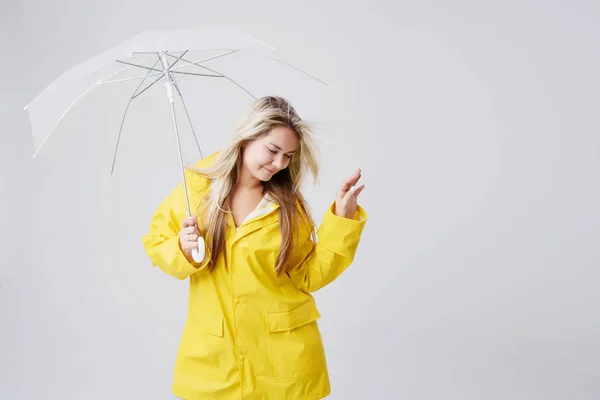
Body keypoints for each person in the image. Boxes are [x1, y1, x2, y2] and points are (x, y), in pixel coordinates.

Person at [142, 96, 367, 399]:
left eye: (287, 156)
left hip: (282, 360)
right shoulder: (195, 189)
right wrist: (182, 248)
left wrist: (342, 218)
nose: (278, 164)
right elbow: (157, 242)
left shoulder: (288, 206)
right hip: (216, 360)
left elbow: (308, 275)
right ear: (247, 137)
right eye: (273, 150)